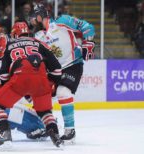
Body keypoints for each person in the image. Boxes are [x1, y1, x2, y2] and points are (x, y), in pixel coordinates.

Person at [0, 27, 63, 148]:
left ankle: (4, 133)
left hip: (20, 79)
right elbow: (57, 69)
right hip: (41, 80)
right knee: (44, 111)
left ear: (14, 35)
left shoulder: (9, 46)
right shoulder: (40, 43)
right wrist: (49, 84)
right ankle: (55, 134)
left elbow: (3, 76)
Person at [31, 3, 96, 143]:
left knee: (63, 92)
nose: (34, 21)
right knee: (39, 96)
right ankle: (47, 125)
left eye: (35, 17)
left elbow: (87, 27)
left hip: (73, 64)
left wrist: (88, 43)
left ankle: (69, 130)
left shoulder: (63, 21)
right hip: (55, 71)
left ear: (41, 15)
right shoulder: (38, 36)